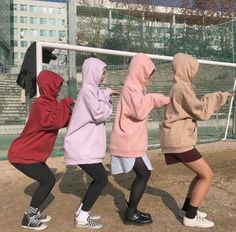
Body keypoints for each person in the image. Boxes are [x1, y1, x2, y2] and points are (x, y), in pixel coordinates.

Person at [160, 53, 232, 229]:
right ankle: (191, 216)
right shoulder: (182, 88)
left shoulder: (179, 86)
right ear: (186, 69)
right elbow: (201, 112)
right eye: (193, 69)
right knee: (207, 175)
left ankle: (186, 210)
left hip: (176, 139)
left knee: (200, 174)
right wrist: (217, 97)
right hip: (179, 141)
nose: (195, 72)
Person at [8, 70, 74, 231]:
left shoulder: (51, 103)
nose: (58, 90)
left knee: (48, 180)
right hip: (22, 154)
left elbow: (62, 119)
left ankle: (34, 213)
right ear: (49, 86)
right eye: (56, 86)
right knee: (48, 181)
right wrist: (66, 103)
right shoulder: (41, 104)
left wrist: (73, 111)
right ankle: (29, 218)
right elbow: (53, 122)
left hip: (31, 155)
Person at [109, 53, 170, 225]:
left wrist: (164, 99)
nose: (148, 77)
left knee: (144, 173)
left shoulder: (135, 87)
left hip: (131, 140)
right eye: (147, 73)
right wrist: (155, 98)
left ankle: (132, 211)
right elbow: (140, 111)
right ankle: (130, 213)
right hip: (127, 141)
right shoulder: (131, 87)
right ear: (140, 71)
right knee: (143, 174)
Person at [64, 57, 117, 229]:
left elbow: (98, 95)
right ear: (93, 71)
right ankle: (82, 218)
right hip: (81, 146)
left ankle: (82, 211)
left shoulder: (91, 90)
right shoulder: (88, 91)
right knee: (101, 179)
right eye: (103, 71)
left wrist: (107, 92)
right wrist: (109, 101)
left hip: (84, 145)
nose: (104, 75)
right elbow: (100, 114)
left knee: (99, 178)